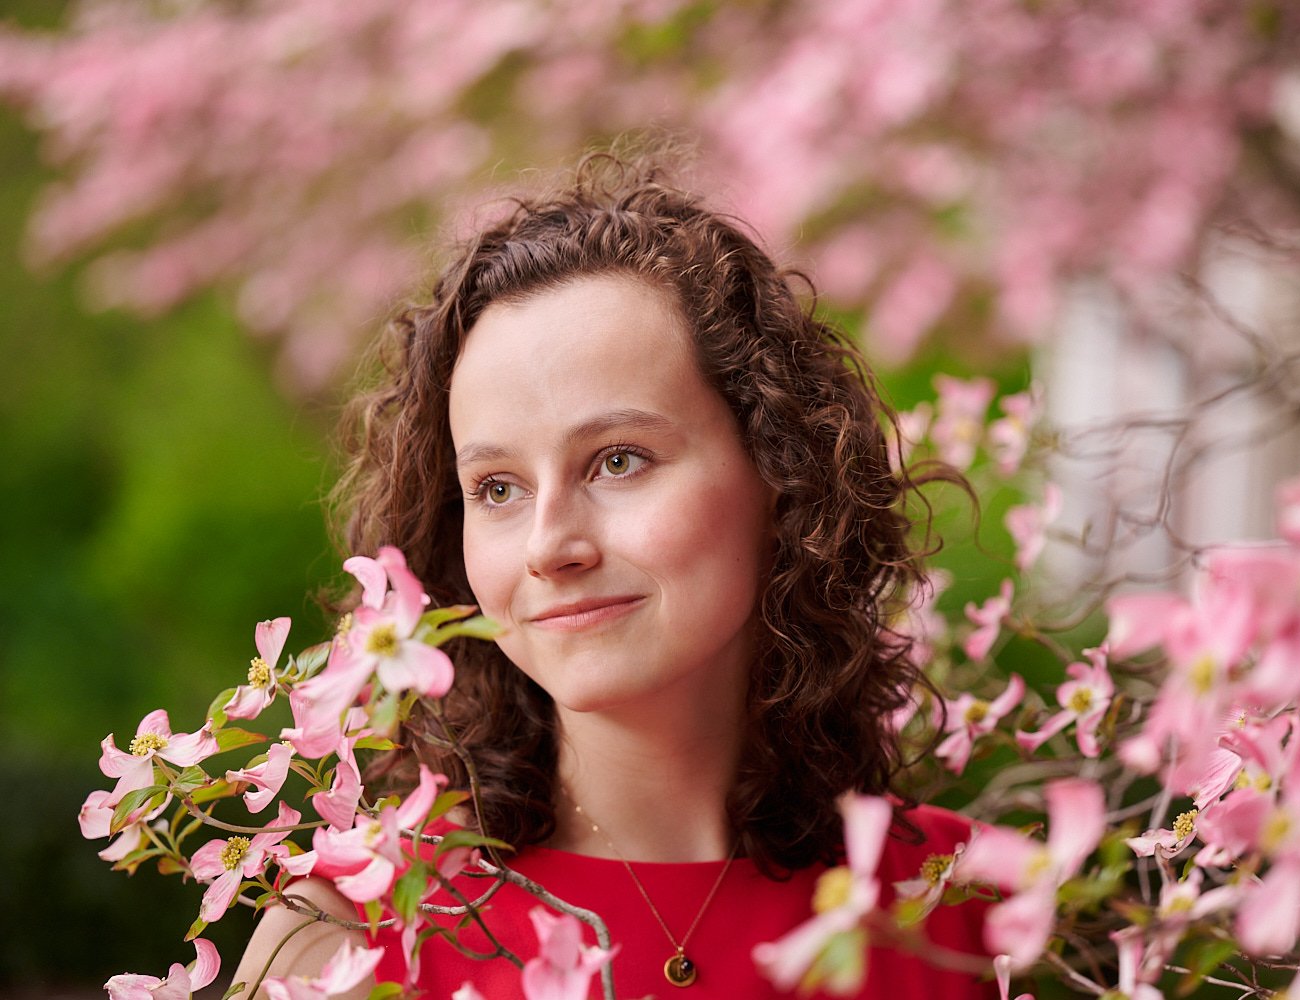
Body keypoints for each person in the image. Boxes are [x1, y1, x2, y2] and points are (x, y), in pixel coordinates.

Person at [233, 153, 992, 998]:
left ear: (782, 473)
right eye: (497, 488)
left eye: (618, 460)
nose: (549, 546)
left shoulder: (964, 906)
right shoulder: (344, 935)